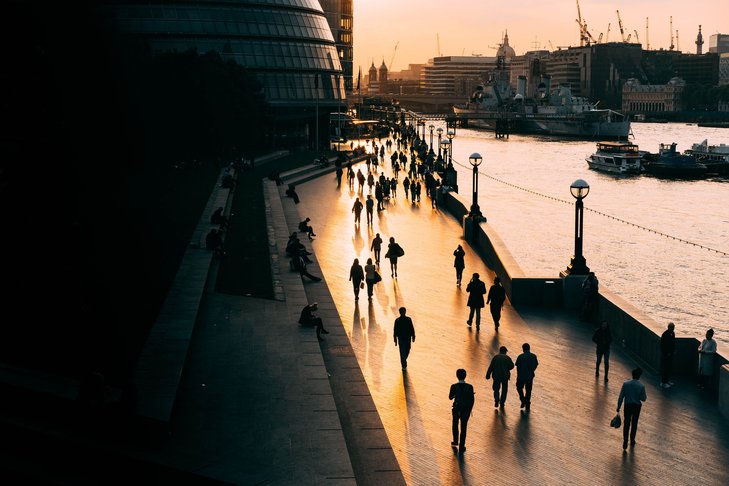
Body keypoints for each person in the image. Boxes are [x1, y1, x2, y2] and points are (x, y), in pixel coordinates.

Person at [617, 367, 647, 450]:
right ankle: (632, 439)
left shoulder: (626, 384)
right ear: (639, 376)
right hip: (636, 406)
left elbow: (621, 396)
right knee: (634, 423)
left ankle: (625, 439)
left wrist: (618, 407)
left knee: (626, 423)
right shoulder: (641, 386)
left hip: (627, 405)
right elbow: (643, 398)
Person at [449, 368, 475, 453]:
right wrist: (469, 410)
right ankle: (462, 445)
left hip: (456, 409)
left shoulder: (454, 386)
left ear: (457, 376)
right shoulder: (470, 387)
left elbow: (450, 397)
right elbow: (472, 400)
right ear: (465, 376)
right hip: (465, 410)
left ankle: (455, 441)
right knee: (464, 427)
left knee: (455, 425)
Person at [515, 343, 539, 412]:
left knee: (519, 388)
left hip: (521, 376)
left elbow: (517, 366)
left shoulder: (520, 356)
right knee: (528, 390)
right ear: (529, 348)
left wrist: (519, 374)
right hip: (529, 376)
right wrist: (532, 370)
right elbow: (536, 365)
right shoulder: (533, 356)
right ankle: (527, 402)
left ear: (523, 348)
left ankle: (523, 400)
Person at [660, 322, 676, 388]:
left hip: (670, 354)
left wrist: (673, 351)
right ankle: (663, 382)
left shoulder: (673, 333)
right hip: (666, 354)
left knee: (669, 368)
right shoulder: (665, 334)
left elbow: (673, 343)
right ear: (668, 327)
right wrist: (666, 352)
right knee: (665, 368)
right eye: (671, 327)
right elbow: (662, 345)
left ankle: (667, 380)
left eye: (673, 327)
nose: (673, 329)